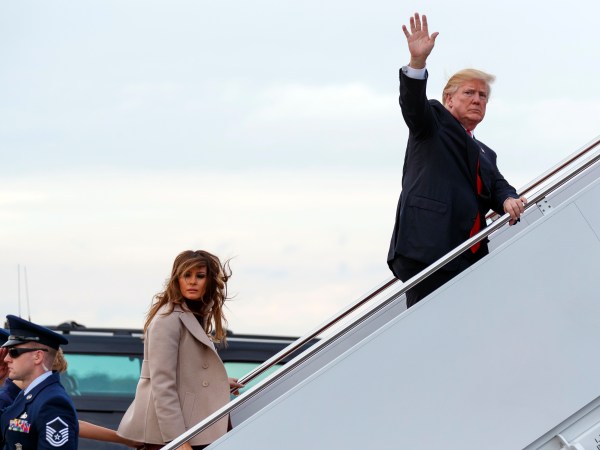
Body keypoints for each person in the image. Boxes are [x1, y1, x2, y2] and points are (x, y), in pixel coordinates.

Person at [387, 12, 528, 308]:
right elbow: (413, 106)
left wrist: (508, 200)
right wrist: (417, 63)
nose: (477, 100)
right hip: (430, 247)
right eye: (469, 93)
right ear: (449, 99)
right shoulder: (434, 121)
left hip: (469, 256)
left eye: (483, 96)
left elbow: (499, 186)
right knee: (428, 329)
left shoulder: (486, 153)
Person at [117, 250, 244, 450]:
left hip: (191, 425)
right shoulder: (168, 319)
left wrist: (217, 383)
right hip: (172, 434)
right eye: (187, 275)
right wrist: (178, 440)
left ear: (209, 281)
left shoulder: (192, 315)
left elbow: (186, 370)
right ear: (177, 280)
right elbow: (162, 385)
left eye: (200, 276)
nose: (192, 281)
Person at [0, 315, 79, 449]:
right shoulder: (26, 396)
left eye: (13, 352)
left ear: (37, 356)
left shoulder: (53, 402)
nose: (6, 359)